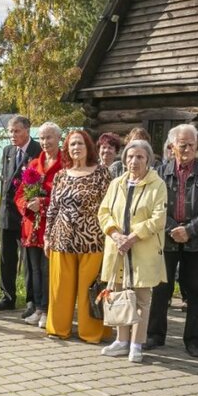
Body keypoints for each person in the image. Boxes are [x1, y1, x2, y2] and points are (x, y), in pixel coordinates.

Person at [146, 124, 198, 357]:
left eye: (192, 144)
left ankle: (193, 340)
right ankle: (155, 335)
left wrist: (189, 230)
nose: (188, 148)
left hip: (196, 242)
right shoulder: (159, 173)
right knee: (161, 289)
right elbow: (153, 204)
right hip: (166, 240)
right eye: (183, 145)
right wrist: (172, 228)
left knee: (196, 291)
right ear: (172, 147)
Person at [98, 140, 168, 364]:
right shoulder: (116, 183)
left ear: (148, 159)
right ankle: (121, 340)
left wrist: (133, 236)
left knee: (141, 299)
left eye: (139, 157)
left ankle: (137, 344)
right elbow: (104, 212)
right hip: (117, 248)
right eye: (130, 156)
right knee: (118, 294)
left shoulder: (157, 185)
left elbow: (158, 219)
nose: (133, 161)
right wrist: (115, 234)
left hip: (143, 248)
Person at [44, 129, 112, 343]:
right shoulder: (61, 175)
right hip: (61, 240)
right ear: (67, 149)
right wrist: (47, 236)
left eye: (80, 144)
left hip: (92, 241)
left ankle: (90, 333)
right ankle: (58, 329)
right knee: (59, 289)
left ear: (88, 147)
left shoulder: (101, 173)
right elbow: (53, 208)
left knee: (88, 291)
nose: (76, 148)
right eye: (72, 145)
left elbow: (109, 207)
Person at [0, 115, 41, 312]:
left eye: (16, 131)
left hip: (27, 214)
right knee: (6, 256)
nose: (12, 135)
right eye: (10, 131)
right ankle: (7, 296)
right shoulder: (8, 151)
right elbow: (7, 182)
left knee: (28, 259)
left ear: (27, 130)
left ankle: (31, 300)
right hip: (8, 213)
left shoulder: (38, 151)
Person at [17, 121, 62, 329]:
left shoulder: (66, 164)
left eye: (49, 137)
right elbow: (19, 194)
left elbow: (65, 196)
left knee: (47, 269)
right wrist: (28, 204)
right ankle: (36, 308)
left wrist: (42, 203)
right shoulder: (34, 163)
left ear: (58, 139)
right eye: (42, 138)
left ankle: (47, 309)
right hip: (31, 227)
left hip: (51, 227)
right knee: (34, 269)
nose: (45, 142)